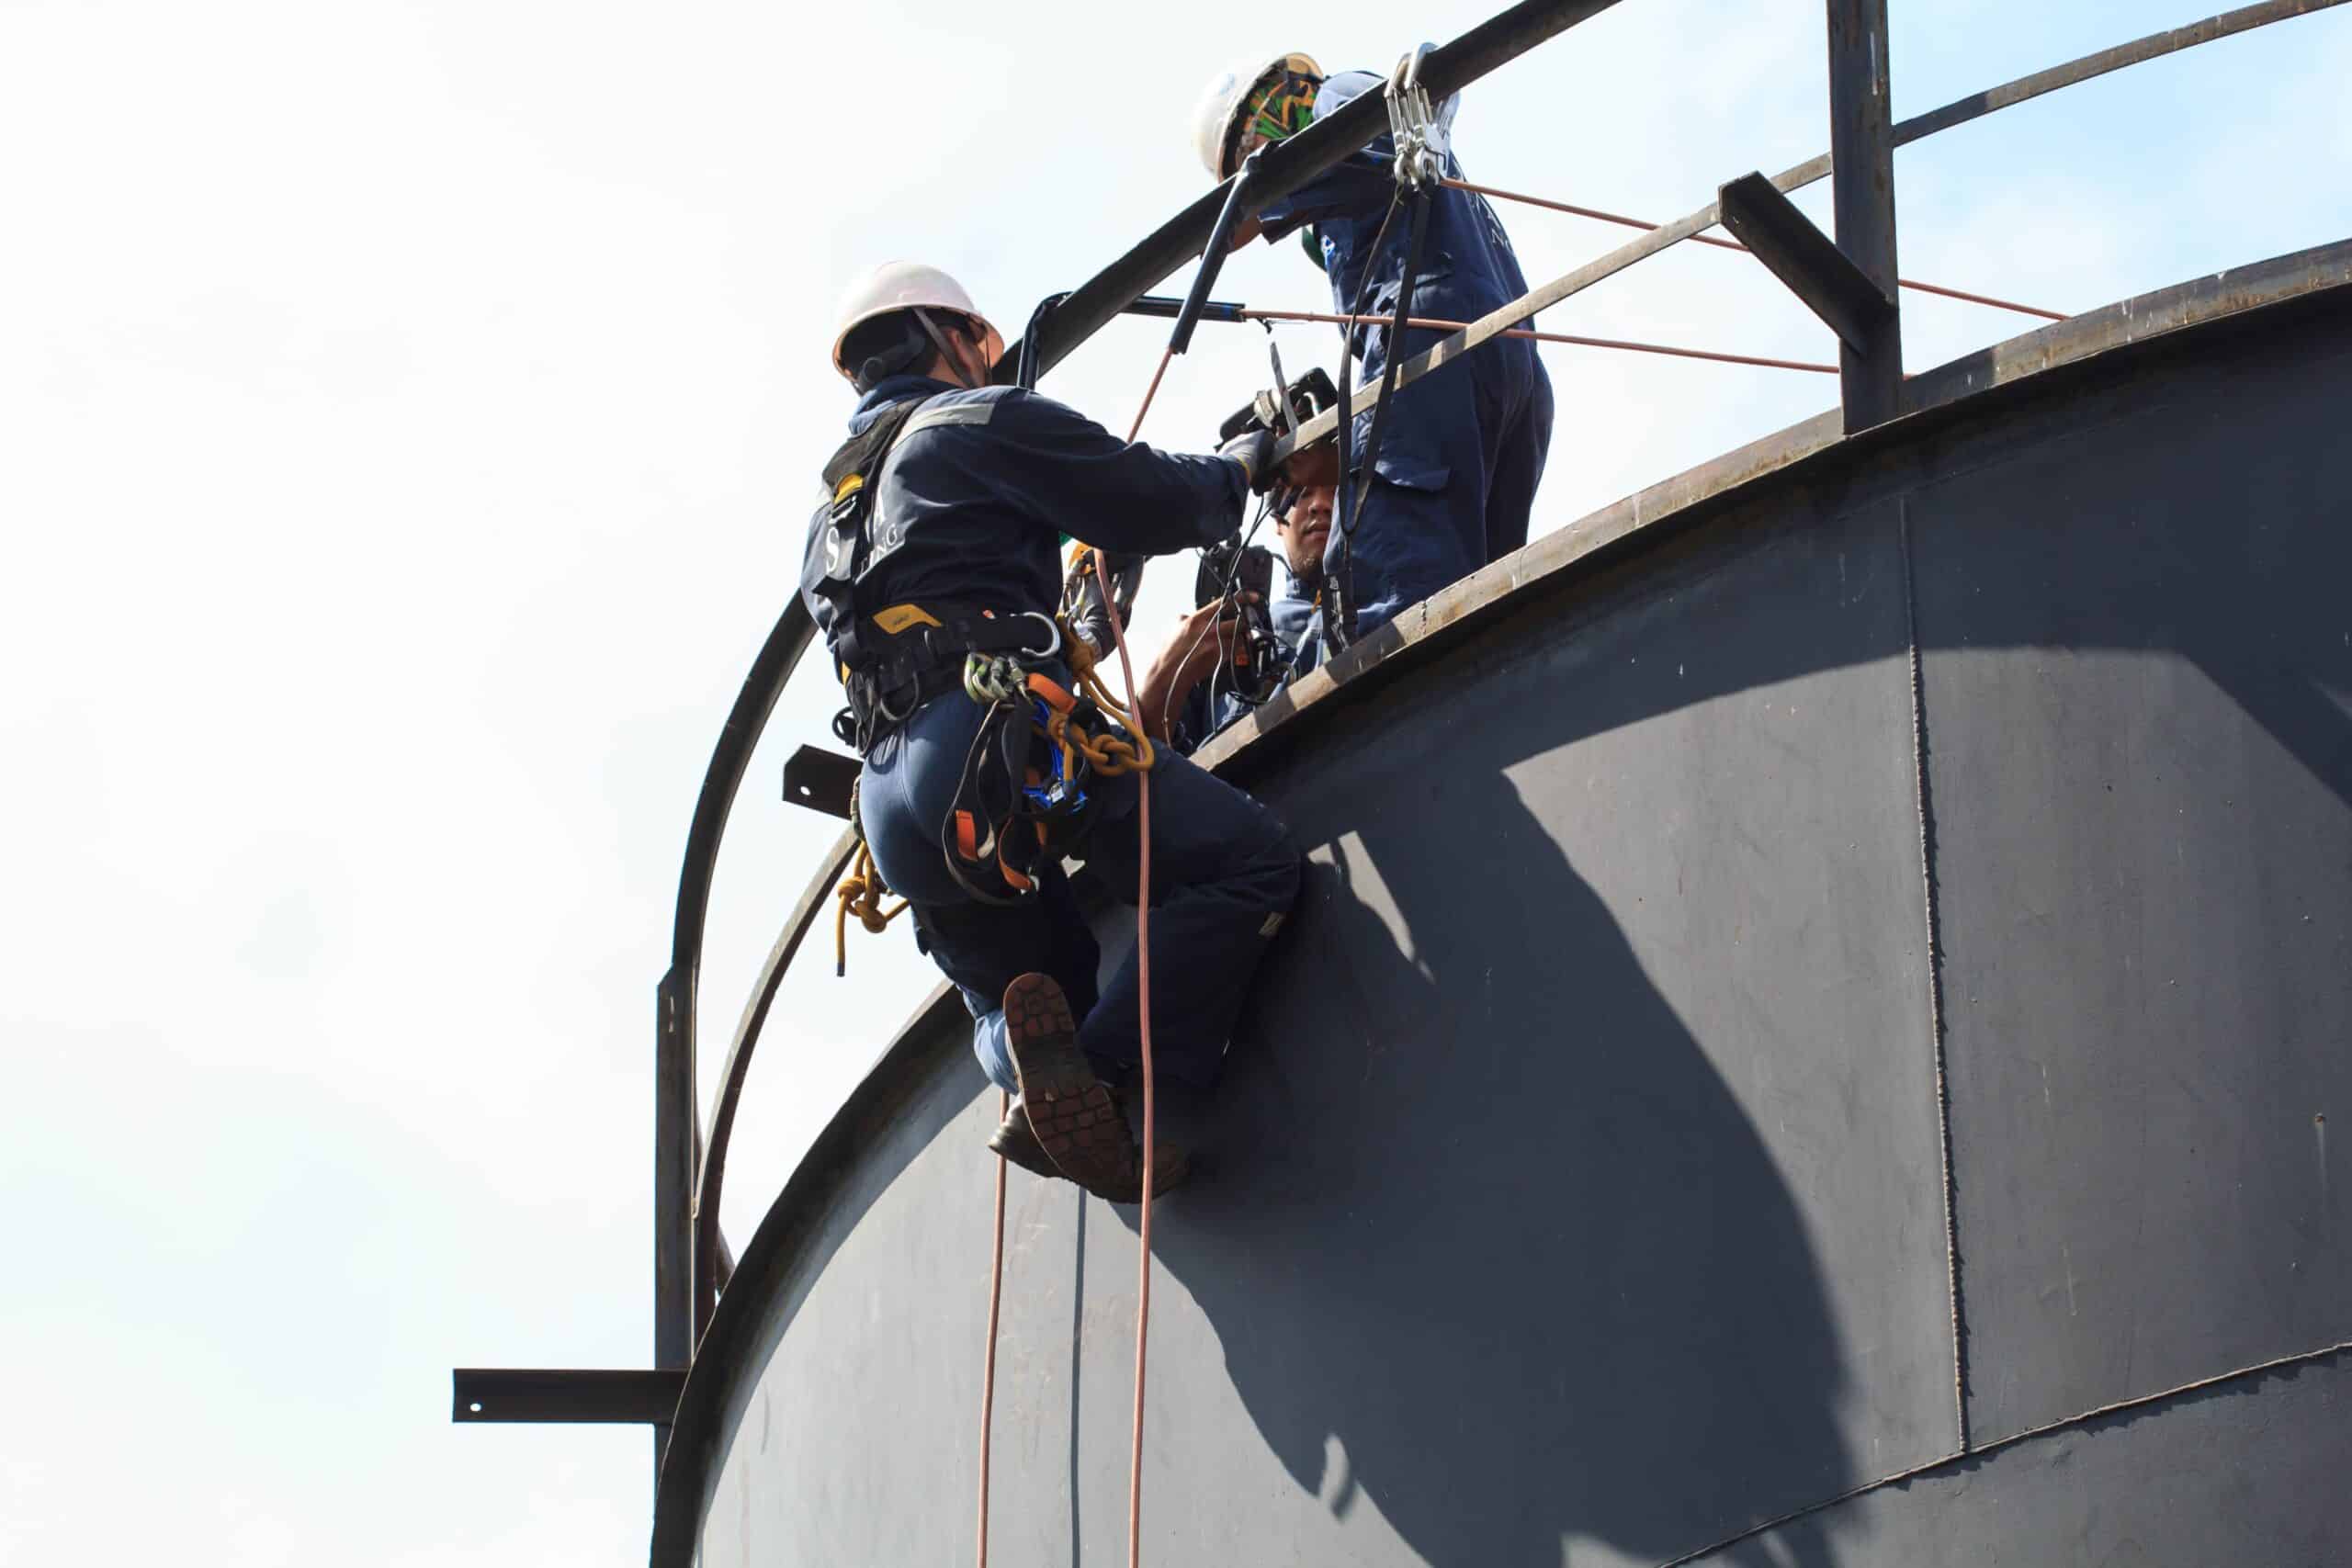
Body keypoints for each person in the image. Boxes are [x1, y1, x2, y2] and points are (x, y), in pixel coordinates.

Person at [803, 261, 1303, 1201]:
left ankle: (1034, 1072)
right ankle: (1101, 1070)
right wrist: (1239, 468)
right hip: (996, 745)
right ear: (951, 337)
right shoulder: (973, 423)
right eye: (982, 348)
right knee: (1244, 867)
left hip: (890, 802)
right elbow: (1150, 497)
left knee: (1017, 993)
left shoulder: (827, 519)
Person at [1191, 51, 1555, 656]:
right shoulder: (1375, 193)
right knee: (1483, 588)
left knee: (1386, 585)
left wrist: (1246, 204)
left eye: (1248, 156)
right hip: (1510, 367)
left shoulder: (1337, 101)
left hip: (1426, 341)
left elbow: (1374, 141)